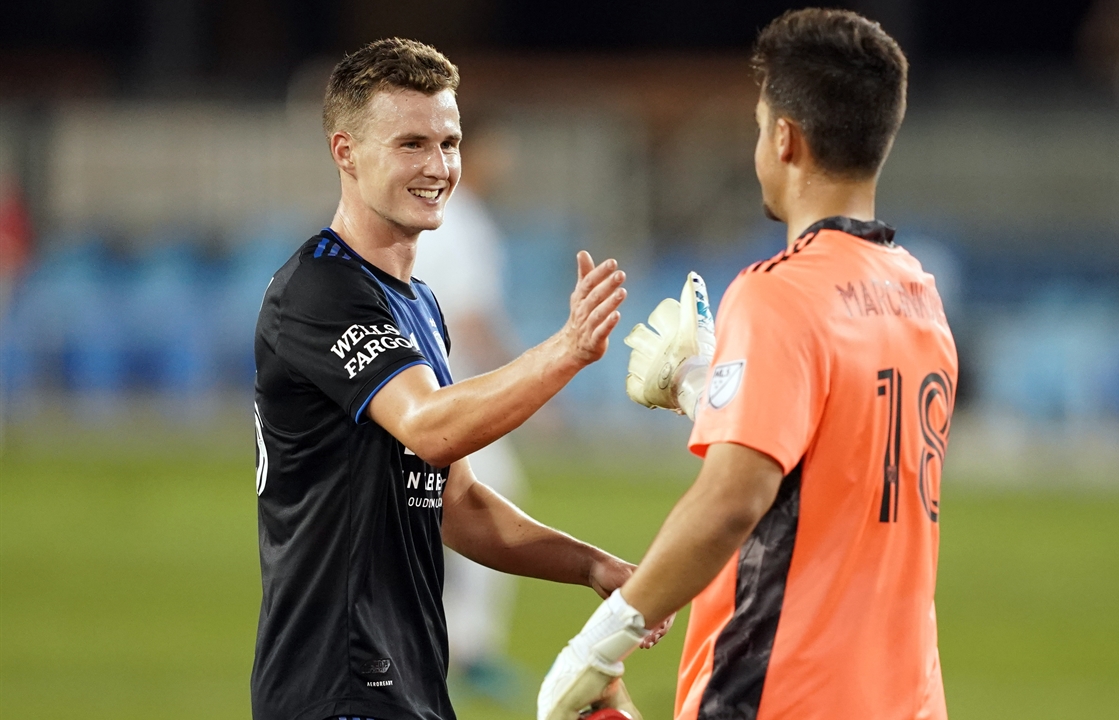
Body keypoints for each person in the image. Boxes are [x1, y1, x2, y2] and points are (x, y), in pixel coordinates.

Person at [539, 9, 958, 720]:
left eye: (761, 125)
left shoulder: (778, 292)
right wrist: (708, 386)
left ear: (786, 139)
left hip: (785, 688)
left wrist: (601, 640)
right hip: (903, 696)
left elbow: (734, 497)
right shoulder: (919, 297)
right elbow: (832, 460)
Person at [251, 38, 663, 720]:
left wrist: (593, 566)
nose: (438, 166)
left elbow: (457, 502)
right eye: (411, 143)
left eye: (449, 143)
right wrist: (564, 351)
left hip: (408, 682)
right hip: (335, 685)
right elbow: (426, 427)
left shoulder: (417, 304)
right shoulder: (318, 290)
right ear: (345, 151)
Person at [411, 125, 527, 697]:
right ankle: (470, 648)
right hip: (455, 390)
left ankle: (442, 645)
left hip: (419, 389)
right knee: (489, 504)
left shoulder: (436, 215)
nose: (505, 164)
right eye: (499, 151)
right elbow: (472, 317)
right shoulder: (462, 222)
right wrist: (530, 377)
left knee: (428, 513)